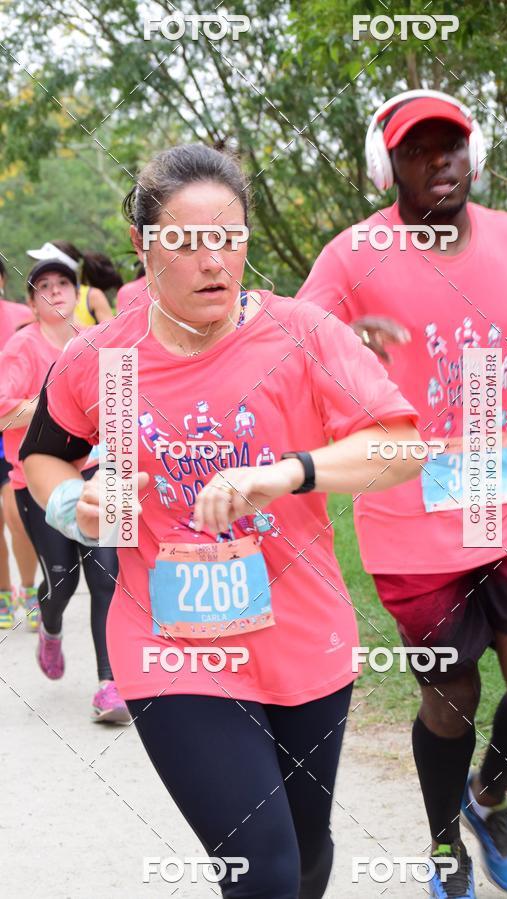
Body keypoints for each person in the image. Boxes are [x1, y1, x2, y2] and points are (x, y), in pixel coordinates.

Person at [21, 143, 421, 898]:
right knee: (260, 868)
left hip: (303, 636)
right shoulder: (101, 357)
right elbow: (44, 455)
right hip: (170, 647)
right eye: (185, 242)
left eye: (230, 238)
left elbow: (401, 448)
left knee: (306, 850)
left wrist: (290, 472)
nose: (214, 261)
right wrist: (73, 502)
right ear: (142, 247)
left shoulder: (301, 335)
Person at [297, 90, 507, 898]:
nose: (441, 161)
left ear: (475, 153)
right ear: (385, 164)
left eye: (452, 145)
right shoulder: (353, 255)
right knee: (449, 694)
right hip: (407, 515)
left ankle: (487, 801)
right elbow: (293, 344)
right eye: (419, 149)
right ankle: (440, 843)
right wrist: (343, 345)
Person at [0, 258, 129, 723]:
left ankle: (110, 684)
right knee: (62, 578)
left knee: (107, 573)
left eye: (63, 284)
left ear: (75, 294)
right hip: (36, 479)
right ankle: (49, 621)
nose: (54, 292)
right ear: (32, 302)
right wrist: (51, 409)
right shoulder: (21, 349)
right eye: (43, 287)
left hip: (98, 472)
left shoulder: (95, 342)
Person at [0, 257, 39, 628]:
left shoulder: (17, 317)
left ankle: (28, 589)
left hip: (9, 429)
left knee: (16, 518)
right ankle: (3, 593)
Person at [27, 240, 120, 325]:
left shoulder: (92, 295)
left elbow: (111, 334)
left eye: (46, 262)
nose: (40, 267)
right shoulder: (41, 299)